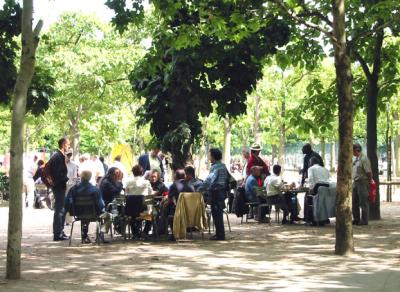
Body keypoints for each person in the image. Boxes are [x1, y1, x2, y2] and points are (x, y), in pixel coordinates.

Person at [65, 170, 111, 243]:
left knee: (85, 213)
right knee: (108, 216)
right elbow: (101, 205)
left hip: (78, 214)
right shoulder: (95, 189)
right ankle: (100, 236)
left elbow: (67, 202)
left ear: (81, 177)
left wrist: (72, 210)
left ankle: (85, 236)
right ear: (90, 178)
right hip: (93, 214)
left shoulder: (73, 189)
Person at [203, 148, 228, 240]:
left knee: (217, 214)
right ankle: (220, 234)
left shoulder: (215, 167)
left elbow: (209, 180)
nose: (209, 157)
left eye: (210, 155)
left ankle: (220, 235)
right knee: (218, 214)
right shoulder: (223, 166)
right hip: (222, 192)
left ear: (213, 156)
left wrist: (201, 188)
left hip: (216, 193)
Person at [48, 137, 70, 241]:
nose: (69, 146)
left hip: (58, 186)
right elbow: (58, 173)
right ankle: (57, 233)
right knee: (59, 210)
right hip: (58, 186)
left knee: (61, 209)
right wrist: (65, 179)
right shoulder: (58, 156)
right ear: (64, 144)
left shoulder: (58, 155)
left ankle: (60, 232)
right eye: (68, 144)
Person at [125, 165, 153, 238]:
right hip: (144, 208)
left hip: (131, 209)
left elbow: (126, 194)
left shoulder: (128, 182)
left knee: (132, 216)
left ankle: (135, 233)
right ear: (142, 172)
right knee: (151, 213)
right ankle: (145, 231)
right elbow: (150, 195)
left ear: (133, 173)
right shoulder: (146, 182)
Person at [352, 143, 372, 226]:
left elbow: (368, 172)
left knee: (363, 202)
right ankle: (356, 219)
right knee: (354, 201)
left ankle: (364, 220)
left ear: (356, 150)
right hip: (355, 182)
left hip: (363, 182)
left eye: (352, 150)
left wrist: (369, 182)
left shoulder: (364, 159)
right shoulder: (356, 159)